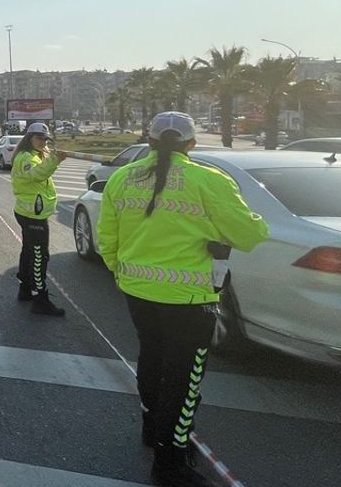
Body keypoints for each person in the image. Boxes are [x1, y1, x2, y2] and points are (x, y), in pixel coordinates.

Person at [98, 112, 268, 487]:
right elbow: (250, 234)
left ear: (150, 140)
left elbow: (106, 238)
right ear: (192, 144)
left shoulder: (122, 178)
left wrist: (122, 271)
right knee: (184, 377)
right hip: (189, 298)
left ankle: (150, 425)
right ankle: (170, 460)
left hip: (138, 292)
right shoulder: (208, 180)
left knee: (152, 357)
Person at [11, 122, 68, 316]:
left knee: (29, 251)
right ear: (29, 138)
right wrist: (54, 160)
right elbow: (36, 175)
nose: (42, 141)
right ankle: (40, 299)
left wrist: (52, 156)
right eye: (38, 138)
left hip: (29, 212)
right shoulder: (26, 157)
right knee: (39, 256)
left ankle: (26, 289)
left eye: (45, 139)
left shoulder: (34, 154)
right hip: (32, 215)